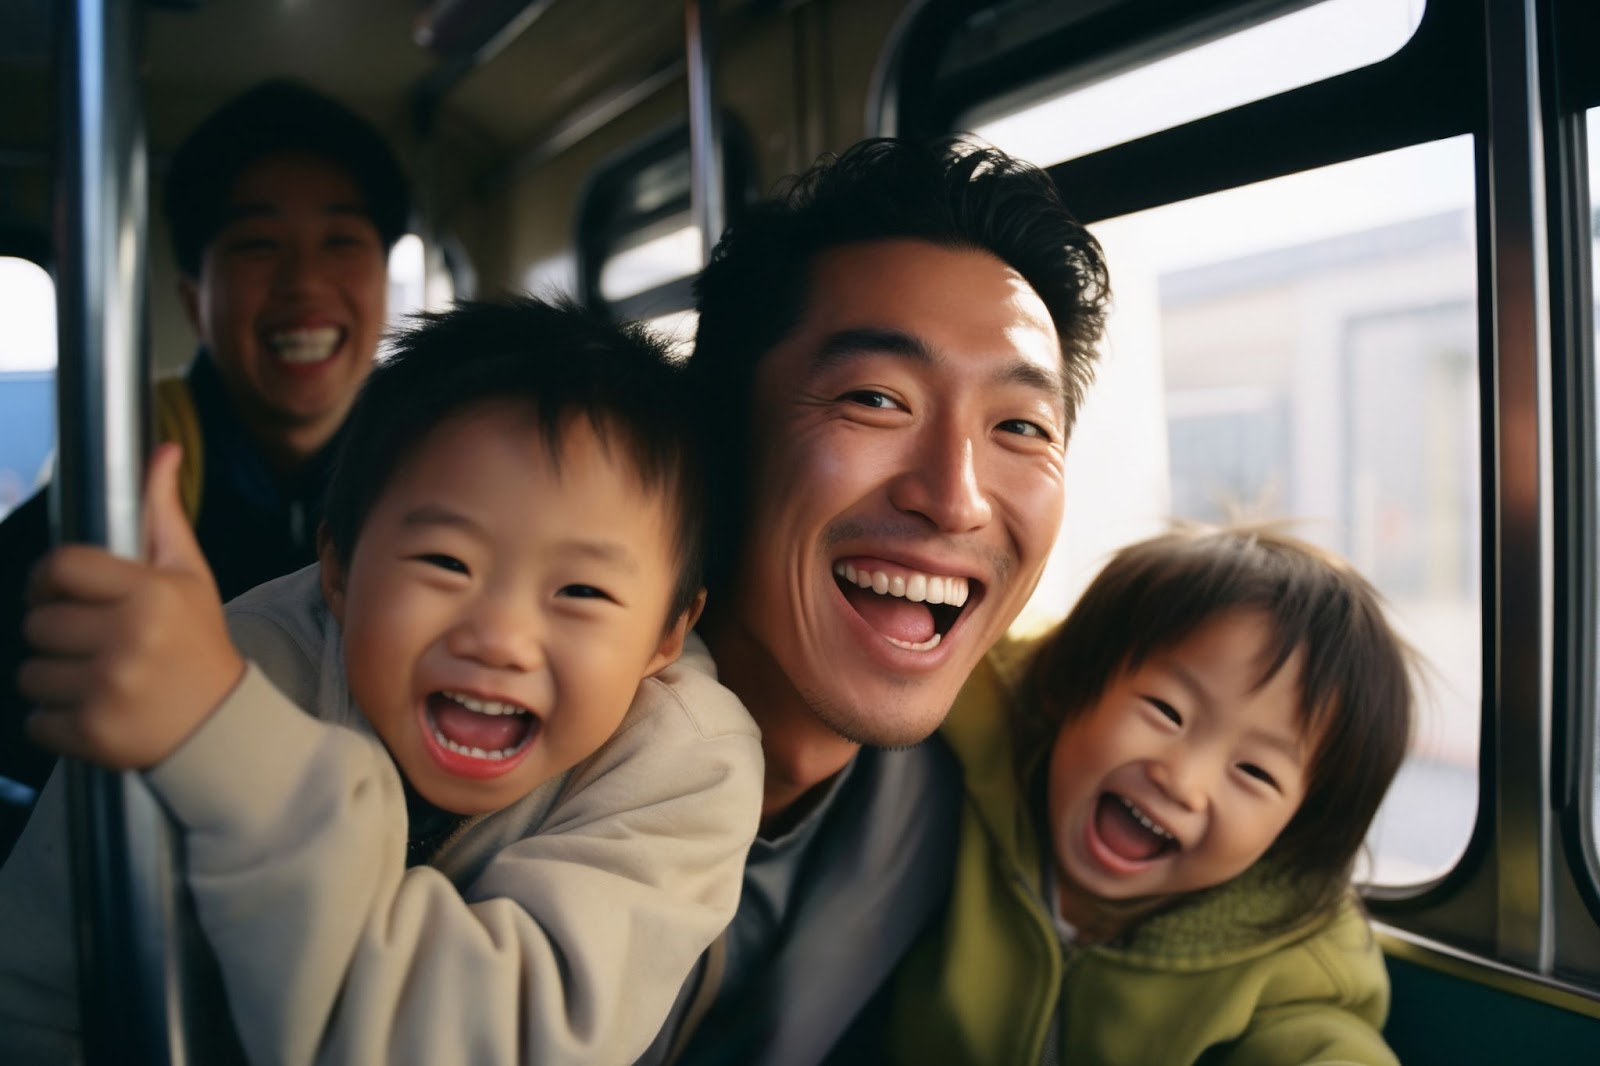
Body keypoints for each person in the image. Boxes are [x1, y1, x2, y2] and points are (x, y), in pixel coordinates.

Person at [0, 298, 764, 1066]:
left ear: (669, 632)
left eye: (582, 593)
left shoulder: (685, 770)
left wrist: (229, 751)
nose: (499, 638)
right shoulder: (204, 680)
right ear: (338, 567)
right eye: (446, 563)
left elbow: (489, 1039)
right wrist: (208, 725)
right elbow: (35, 998)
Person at [642, 137, 1111, 1065]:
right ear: (723, 435)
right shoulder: (510, 725)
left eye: (1020, 426)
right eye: (877, 399)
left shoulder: (1014, 762)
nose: (957, 496)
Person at [0, 78, 408, 807]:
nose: (304, 283)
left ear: (382, 278)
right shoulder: (112, 490)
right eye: (257, 245)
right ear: (195, 296)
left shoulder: (434, 478)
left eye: (342, 240)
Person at [887, 525, 1413, 1065]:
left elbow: (1325, 1044)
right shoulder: (968, 769)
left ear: (1295, 830)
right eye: (1167, 711)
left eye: (1255, 772)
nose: (1184, 781)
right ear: (1069, 683)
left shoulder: (1296, 957)